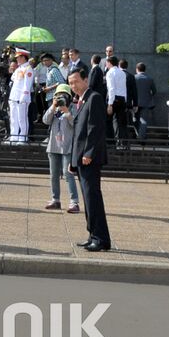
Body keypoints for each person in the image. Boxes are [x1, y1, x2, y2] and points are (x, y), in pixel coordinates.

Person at [68, 68, 111, 252]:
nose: (73, 86)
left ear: (85, 80)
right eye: (70, 83)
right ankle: (93, 234)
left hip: (89, 159)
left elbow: (95, 129)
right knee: (88, 198)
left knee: (92, 198)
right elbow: (78, 133)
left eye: (76, 81)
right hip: (81, 158)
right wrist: (73, 160)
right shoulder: (81, 100)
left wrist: (88, 153)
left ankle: (100, 238)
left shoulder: (94, 98)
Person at [43, 82, 81, 213]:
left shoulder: (74, 107)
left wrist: (67, 111)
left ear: (69, 97)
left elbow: (76, 123)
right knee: (54, 175)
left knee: (67, 174)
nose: (61, 98)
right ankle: (55, 200)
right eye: (58, 96)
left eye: (63, 95)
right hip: (53, 146)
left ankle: (74, 202)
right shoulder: (54, 108)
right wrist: (53, 107)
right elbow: (45, 120)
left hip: (67, 147)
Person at [8, 47, 33, 144]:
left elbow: (27, 85)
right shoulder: (19, 68)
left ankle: (23, 137)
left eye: (19, 57)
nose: (17, 59)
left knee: (22, 118)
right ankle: (14, 136)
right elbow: (14, 80)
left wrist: (23, 97)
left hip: (22, 98)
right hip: (14, 96)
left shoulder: (28, 69)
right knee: (13, 118)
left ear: (24, 57)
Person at [104, 55, 129, 146]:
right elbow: (124, 88)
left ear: (109, 63)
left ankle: (111, 142)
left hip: (114, 99)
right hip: (122, 99)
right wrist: (125, 100)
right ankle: (122, 143)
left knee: (109, 121)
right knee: (121, 122)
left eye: (106, 62)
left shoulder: (110, 72)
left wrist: (110, 104)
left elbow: (111, 88)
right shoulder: (122, 73)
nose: (105, 64)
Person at [133, 62, 158, 142]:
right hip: (146, 103)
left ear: (137, 69)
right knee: (143, 120)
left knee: (134, 119)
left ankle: (138, 135)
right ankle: (141, 136)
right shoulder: (149, 79)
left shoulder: (134, 78)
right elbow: (154, 91)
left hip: (135, 103)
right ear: (145, 70)